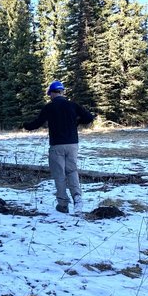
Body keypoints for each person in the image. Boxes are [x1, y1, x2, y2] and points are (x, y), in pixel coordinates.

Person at [23, 80, 94, 214]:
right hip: (73, 144)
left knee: (59, 174)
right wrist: (78, 122)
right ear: (62, 92)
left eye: (49, 94)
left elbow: (37, 123)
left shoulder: (49, 107)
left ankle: (63, 205)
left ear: (51, 93)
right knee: (72, 171)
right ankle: (77, 198)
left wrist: (26, 125)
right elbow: (89, 117)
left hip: (56, 146)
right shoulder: (72, 105)